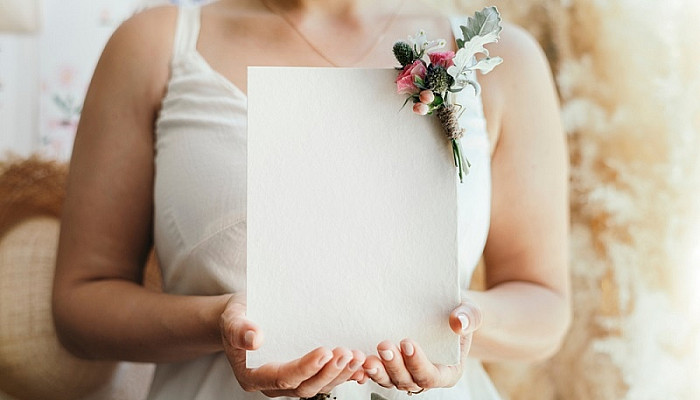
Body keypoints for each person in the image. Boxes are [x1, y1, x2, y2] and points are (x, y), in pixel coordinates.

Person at [52, 0, 571, 398]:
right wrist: (219, 323)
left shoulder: (504, 60)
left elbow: (543, 307)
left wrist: (457, 323)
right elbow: (81, 306)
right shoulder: (154, 44)